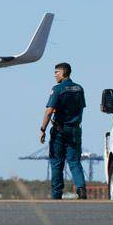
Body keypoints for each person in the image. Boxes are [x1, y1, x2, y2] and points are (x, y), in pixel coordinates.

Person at [40, 62, 87, 200]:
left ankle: (56, 195)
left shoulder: (58, 89)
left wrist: (42, 129)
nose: (55, 75)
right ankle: (81, 188)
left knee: (56, 163)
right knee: (74, 161)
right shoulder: (79, 89)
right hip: (75, 130)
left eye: (56, 72)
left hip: (60, 131)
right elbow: (80, 109)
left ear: (63, 73)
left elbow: (49, 112)